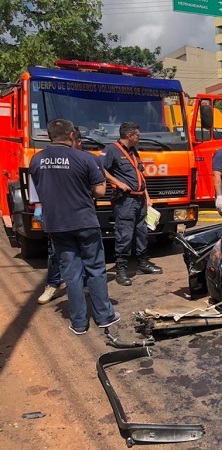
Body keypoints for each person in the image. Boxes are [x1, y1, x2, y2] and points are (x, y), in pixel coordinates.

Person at [29, 119, 119, 334]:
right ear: (71, 135)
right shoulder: (84, 158)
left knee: (71, 274)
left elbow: (37, 190)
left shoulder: (36, 159)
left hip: (56, 224)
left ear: (49, 136)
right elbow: (99, 191)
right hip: (84, 222)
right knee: (95, 270)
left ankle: (79, 323)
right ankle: (104, 317)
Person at [100, 122, 162, 286]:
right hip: (125, 200)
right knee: (125, 234)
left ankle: (142, 262)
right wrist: (117, 182)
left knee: (142, 232)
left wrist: (147, 196)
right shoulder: (111, 150)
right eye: (137, 136)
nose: (139, 138)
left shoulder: (133, 152)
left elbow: (140, 176)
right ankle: (121, 269)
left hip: (140, 199)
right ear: (129, 136)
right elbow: (100, 169)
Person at [36, 126, 85, 304]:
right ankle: (53, 285)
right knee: (55, 252)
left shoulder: (84, 159)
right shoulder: (50, 160)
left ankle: (83, 284)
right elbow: (41, 184)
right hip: (58, 215)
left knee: (85, 252)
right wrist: (39, 205)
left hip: (81, 215)